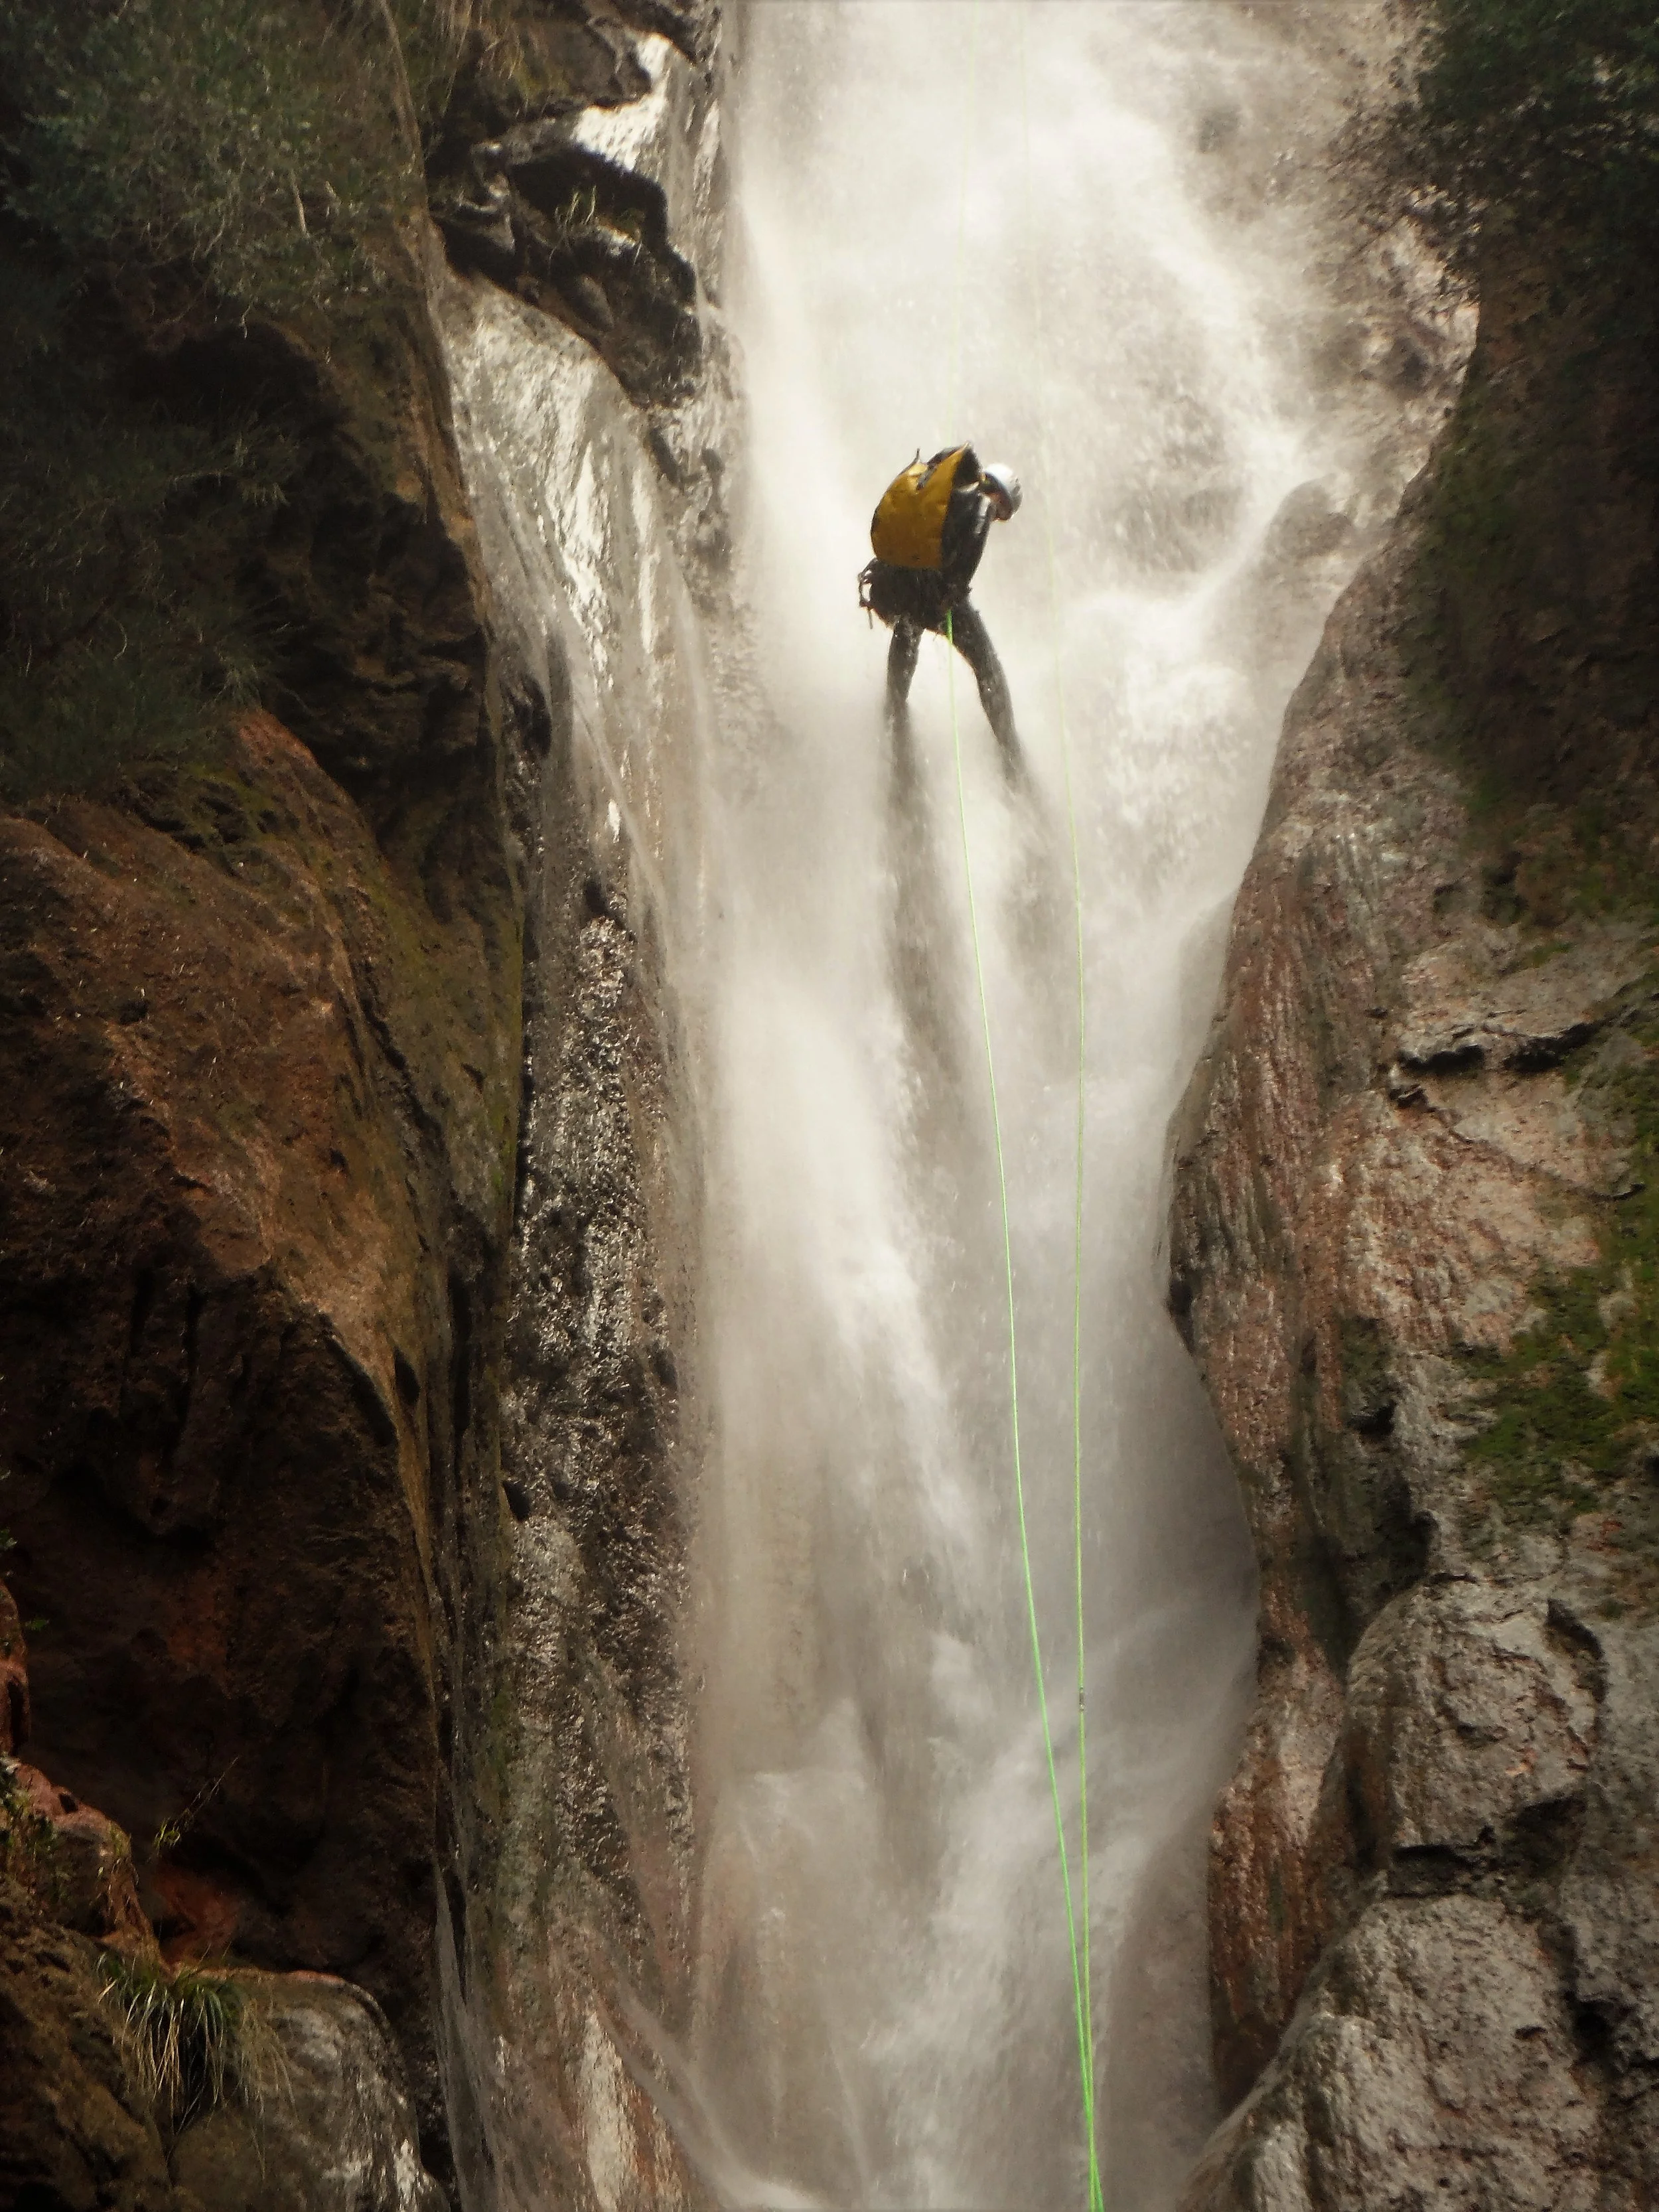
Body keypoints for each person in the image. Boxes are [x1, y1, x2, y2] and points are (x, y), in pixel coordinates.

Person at [859, 446, 1023, 778]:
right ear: (1002, 497)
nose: (998, 517)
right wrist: (956, 588)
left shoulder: (943, 489)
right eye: (1003, 513)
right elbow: (977, 529)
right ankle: (1010, 752)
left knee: (908, 629)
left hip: (897, 581)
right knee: (986, 665)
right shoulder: (982, 501)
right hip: (933, 592)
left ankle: (894, 709)